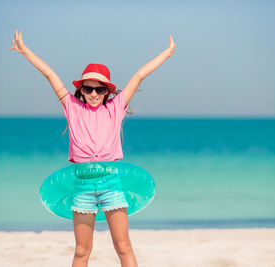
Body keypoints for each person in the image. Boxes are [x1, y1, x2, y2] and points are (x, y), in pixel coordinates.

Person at [9, 29, 175, 267]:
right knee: (81, 251)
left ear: (107, 90)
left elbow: (139, 75)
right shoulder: (72, 107)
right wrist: (25, 51)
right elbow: (49, 74)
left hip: (112, 184)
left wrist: (167, 54)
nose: (93, 94)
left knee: (124, 247)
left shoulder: (116, 107)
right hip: (82, 186)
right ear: (81, 90)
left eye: (99, 89)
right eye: (88, 89)